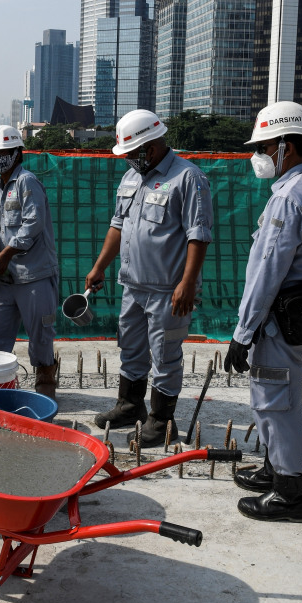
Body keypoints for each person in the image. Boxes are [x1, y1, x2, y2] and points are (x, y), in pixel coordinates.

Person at [224, 101, 302, 523]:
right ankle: (274, 470)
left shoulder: (288, 199)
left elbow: (267, 271)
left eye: (264, 146)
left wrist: (243, 330)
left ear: (286, 146)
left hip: (278, 321)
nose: (259, 156)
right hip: (300, 315)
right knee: (275, 396)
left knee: (277, 403)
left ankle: (289, 494)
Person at [85, 109, 213, 446]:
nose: (127, 160)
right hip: (133, 285)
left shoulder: (188, 178)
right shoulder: (131, 177)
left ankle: (161, 420)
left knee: (166, 354)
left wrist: (187, 284)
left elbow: (198, 236)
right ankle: (130, 406)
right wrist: (100, 266)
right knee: (131, 348)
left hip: (168, 291)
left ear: (151, 147)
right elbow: (118, 226)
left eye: (131, 153)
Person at [0, 125, 59, 398]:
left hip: (34, 275)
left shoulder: (27, 182)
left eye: (1, 152)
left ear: (17, 153)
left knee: (40, 335)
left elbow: (33, 223)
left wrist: (6, 253)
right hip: (6, 277)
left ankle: (46, 384)